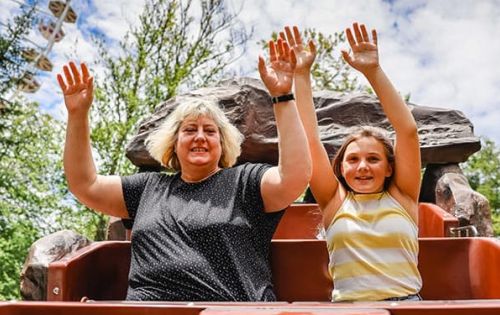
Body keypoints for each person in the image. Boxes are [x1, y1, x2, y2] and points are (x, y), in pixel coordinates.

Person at [56, 38, 311, 301]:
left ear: (222, 145)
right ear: (173, 144)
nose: (200, 137)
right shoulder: (147, 188)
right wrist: (78, 114)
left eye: (210, 131)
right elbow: (84, 184)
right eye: (189, 130)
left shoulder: (244, 182)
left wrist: (282, 97)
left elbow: (294, 177)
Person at [281, 23, 422, 301]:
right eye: (353, 159)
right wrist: (301, 75)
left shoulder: (403, 196)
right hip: (350, 308)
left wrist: (373, 71)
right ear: (342, 168)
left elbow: (408, 131)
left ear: (389, 167)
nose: (362, 167)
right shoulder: (334, 201)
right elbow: (309, 140)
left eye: (373, 159)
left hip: (406, 305)